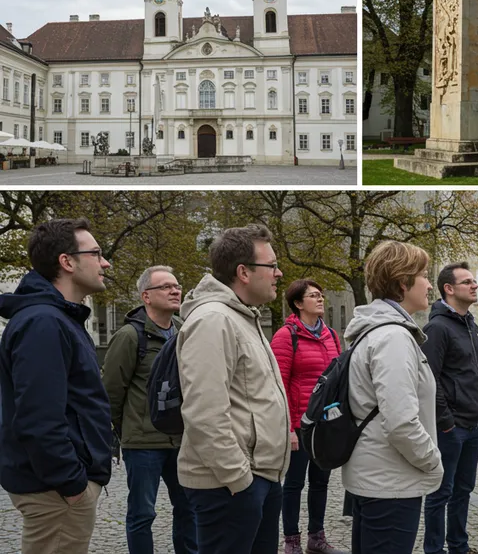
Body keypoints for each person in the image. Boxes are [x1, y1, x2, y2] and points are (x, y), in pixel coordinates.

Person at [0, 218, 112, 553]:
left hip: (58, 487)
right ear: (67, 262)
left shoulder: (58, 318)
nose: (105, 262)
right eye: (96, 253)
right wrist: (72, 484)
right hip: (56, 492)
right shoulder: (44, 323)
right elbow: (38, 419)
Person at [177, 224, 290, 554]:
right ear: (243, 272)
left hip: (258, 477)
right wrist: (239, 480)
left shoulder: (242, 317)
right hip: (230, 484)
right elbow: (204, 412)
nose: (278, 273)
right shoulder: (214, 319)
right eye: (271, 265)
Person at [342, 241, 443, 554]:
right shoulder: (393, 337)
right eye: (423, 275)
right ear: (403, 283)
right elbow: (400, 421)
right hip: (390, 484)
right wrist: (433, 461)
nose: (429, 283)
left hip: (378, 476)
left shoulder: (381, 330)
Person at [102, 265, 197, 554]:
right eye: (166, 286)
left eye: (177, 285)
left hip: (182, 441)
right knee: (142, 514)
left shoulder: (185, 332)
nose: (175, 290)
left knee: (189, 510)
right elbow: (111, 392)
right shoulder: (130, 336)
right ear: (146, 296)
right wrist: (123, 432)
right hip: (143, 442)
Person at [271, 279, 347, 554]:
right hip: (298, 424)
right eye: (313, 296)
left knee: (320, 482)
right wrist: (289, 428)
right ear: (298, 303)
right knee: (293, 484)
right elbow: (278, 384)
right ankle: (291, 540)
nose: (320, 299)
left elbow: (337, 380)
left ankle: (317, 537)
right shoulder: (286, 336)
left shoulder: (331, 336)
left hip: (324, 425)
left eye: (321, 295)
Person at [422, 262, 478, 554]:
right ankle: (434, 549)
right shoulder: (437, 328)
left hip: (475, 424)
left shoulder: (471, 324)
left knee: (463, 491)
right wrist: (446, 421)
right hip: (452, 428)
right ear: (449, 289)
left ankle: (458, 546)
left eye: (475, 281)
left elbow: (477, 372)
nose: (475, 285)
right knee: (441, 493)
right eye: (468, 282)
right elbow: (429, 380)